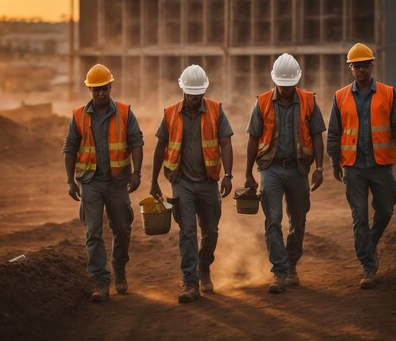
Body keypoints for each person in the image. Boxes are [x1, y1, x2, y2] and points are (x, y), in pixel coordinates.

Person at [327, 43, 396, 289]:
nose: (361, 70)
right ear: (351, 68)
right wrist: (334, 160)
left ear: (372, 65)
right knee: (359, 216)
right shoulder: (340, 96)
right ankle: (368, 266)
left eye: (365, 65)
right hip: (354, 166)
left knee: (386, 210)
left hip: (381, 165)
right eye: (357, 66)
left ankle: (369, 244)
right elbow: (334, 132)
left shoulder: (387, 93)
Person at [150, 64, 234, 304]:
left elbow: (225, 144)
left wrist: (228, 175)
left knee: (211, 231)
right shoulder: (170, 114)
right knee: (187, 232)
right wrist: (154, 179)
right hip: (181, 182)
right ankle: (190, 282)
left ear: (204, 91)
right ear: (183, 91)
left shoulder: (216, 111)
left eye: (199, 95)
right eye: (191, 95)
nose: (195, 99)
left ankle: (204, 266)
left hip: (208, 182)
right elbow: (160, 146)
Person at [244, 53, 325, 294]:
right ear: (274, 81)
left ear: (297, 81)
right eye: (282, 85)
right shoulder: (262, 102)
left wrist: (319, 168)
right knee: (273, 219)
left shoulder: (309, 101)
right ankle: (279, 271)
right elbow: (253, 138)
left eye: (291, 85)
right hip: (270, 168)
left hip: (299, 169)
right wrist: (248, 174)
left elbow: (318, 135)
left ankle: (292, 264)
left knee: (298, 221)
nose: (287, 89)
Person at [63, 63, 144, 302]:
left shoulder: (125, 113)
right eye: (96, 89)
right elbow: (69, 148)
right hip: (90, 182)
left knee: (122, 228)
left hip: (117, 181)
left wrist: (136, 172)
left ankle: (119, 267)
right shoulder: (78, 116)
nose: (101, 93)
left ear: (111, 87)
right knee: (93, 232)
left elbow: (136, 142)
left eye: (104, 89)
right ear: (90, 90)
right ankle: (100, 281)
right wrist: (70, 181)